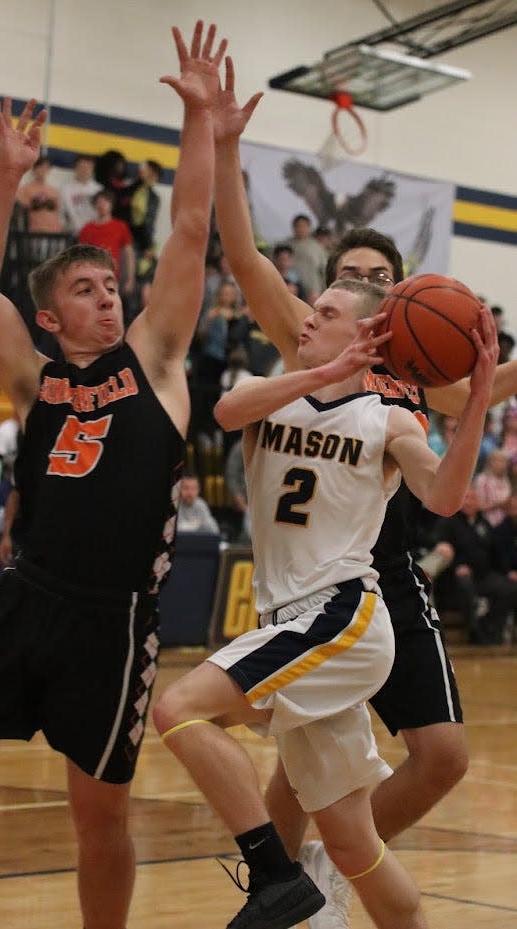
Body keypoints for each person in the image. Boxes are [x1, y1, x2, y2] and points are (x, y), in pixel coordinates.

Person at [0, 20, 225, 929]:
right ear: (49, 319)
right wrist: (5, 175)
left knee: (99, 814)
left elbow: (193, 228)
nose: (107, 295)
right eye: (85, 290)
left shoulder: (155, 360)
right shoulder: (33, 379)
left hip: (114, 619)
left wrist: (198, 117)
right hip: (26, 596)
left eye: (110, 285)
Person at [209, 56, 517, 929]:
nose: (353, 293)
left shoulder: (419, 383)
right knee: (298, 765)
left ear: (403, 300)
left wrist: (490, 360)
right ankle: (285, 890)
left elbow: (482, 400)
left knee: (442, 754)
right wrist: (224, 146)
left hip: (383, 569)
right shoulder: (304, 339)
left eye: (378, 282)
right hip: (300, 571)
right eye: (343, 278)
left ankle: (322, 868)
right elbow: (239, 251)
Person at [153, 274, 497, 929]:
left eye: (328, 311)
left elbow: (446, 496)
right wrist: (328, 371)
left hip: (343, 615)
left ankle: (274, 876)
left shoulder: (388, 419)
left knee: (179, 709)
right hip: (295, 623)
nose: (308, 319)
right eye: (312, 308)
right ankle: (313, 886)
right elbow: (226, 412)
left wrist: (477, 397)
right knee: (351, 841)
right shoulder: (270, 391)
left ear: (368, 333)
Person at [433, 484, 517, 645]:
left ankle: (487, 625)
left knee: (511, 589)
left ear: (479, 502)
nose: (469, 502)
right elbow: (440, 549)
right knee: (465, 586)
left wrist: (507, 572)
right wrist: (457, 566)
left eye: (473, 499)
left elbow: (496, 553)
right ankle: (474, 631)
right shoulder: (448, 522)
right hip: (456, 580)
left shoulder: (484, 523)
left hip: (484, 576)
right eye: (466, 498)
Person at [78, 188, 136, 300]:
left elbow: (129, 255)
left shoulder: (120, 226)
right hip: (90, 279)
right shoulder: (87, 228)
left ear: (111, 205)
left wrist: (130, 279)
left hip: (112, 278)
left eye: (105, 201)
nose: (102, 205)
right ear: (95, 205)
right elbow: (80, 257)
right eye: (99, 202)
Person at [15, 154, 64, 233]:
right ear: (34, 169)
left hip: (55, 231)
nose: (43, 170)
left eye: (46, 168)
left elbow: (58, 212)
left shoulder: (54, 191)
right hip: (34, 231)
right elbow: (22, 210)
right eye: (40, 167)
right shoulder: (24, 189)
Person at [60, 154, 101, 235]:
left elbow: (101, 213)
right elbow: (64, 212)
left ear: (92, 169)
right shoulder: (66, 189)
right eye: (81, 167)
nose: (84, 170)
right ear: (75, 168)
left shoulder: (98, 189)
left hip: (95, 233)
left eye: (87, 167)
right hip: (72, 233)